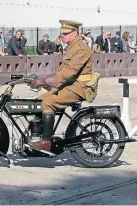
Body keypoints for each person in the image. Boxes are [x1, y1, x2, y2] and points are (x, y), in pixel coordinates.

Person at [29, 20, 94, 151]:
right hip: (70, 84)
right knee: (37, 102)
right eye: (61, 34)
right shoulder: (71, 46)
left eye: (65, 34)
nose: (62, 36)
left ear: (75, 33)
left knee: (47, 102)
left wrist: (43, 81)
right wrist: (45, 81)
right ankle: (36, 136)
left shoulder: (81, 48)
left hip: (79, 87)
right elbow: (61, 72)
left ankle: (46, 142)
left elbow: (67, 73)